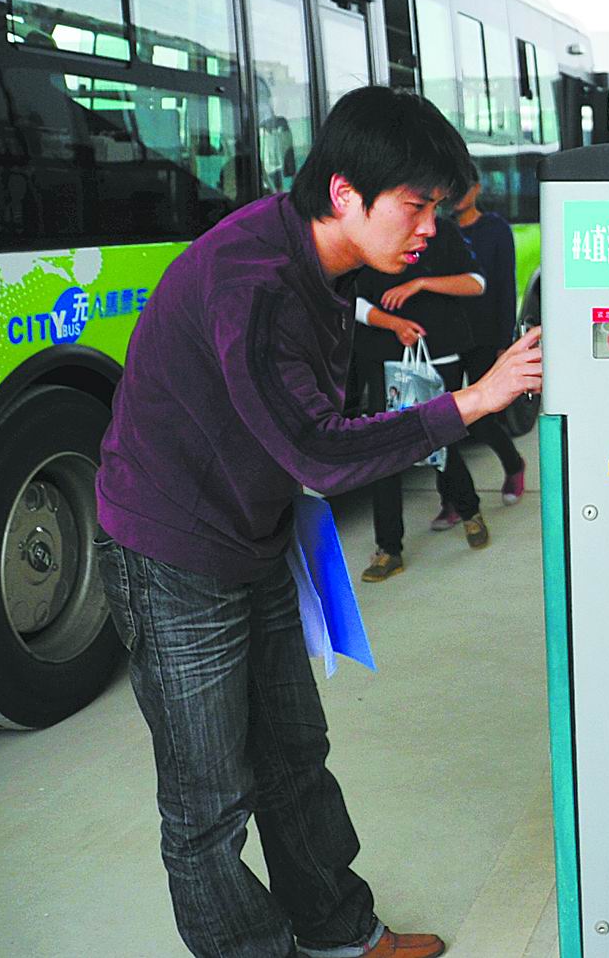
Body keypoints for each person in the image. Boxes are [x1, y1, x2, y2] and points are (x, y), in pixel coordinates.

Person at [93, 87, 542, 958]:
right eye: (416, 206)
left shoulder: (325, 260)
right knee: (208, 801)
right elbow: (319, 451)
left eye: (438, 208)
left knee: (295, 751)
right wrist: (473, 400)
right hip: (172, 550)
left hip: (253, 530)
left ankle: (340, 931)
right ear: (344, 193)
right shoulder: (254, 282)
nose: (429, 229)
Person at [354, 208, 489, 582]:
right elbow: (353, 301)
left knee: (441, 440)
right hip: (386, 360)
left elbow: (476, 283)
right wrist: (393, 324)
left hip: (440, 357)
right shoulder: (368, 232)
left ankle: (469, 509)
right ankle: (388, 549)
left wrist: (421, 283)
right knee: (386, 451)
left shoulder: (442, 232)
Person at [432, 177, 527, 526]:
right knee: (443, 419)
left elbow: (504, 285)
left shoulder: (495, 229)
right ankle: (452, 500)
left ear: (477, 188)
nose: (456, 196)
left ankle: (513, 464)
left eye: (463, 188)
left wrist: (505, 341)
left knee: (483, 416)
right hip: (448, 336)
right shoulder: (436, 229)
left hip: (485, 335)